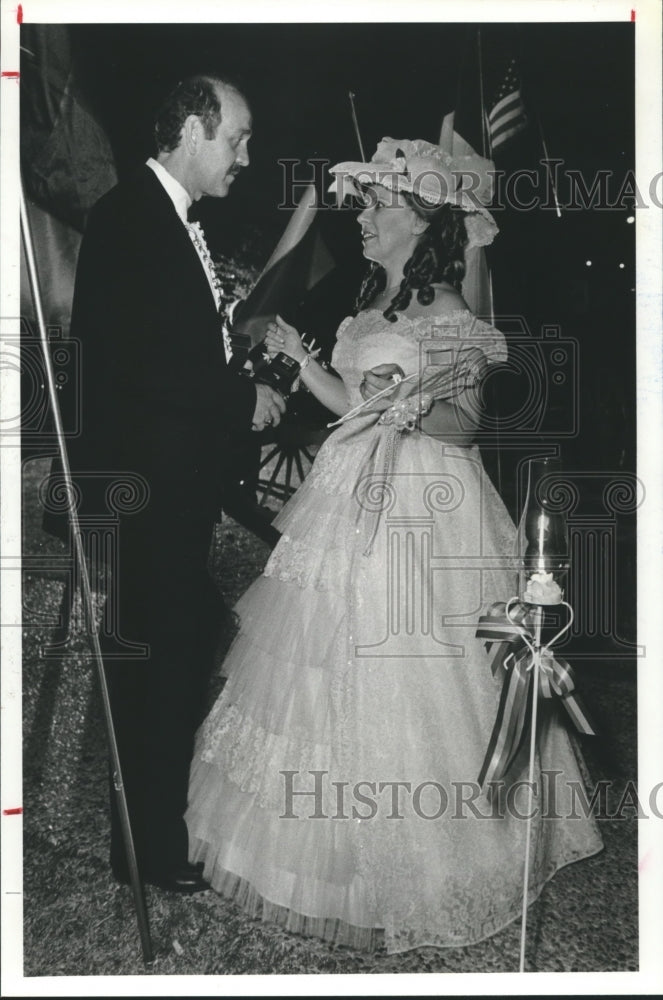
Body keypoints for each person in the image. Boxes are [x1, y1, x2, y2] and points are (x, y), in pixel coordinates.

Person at [185, 138, 603, 948]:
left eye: (378, 205)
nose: (363, 218)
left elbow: (464, 425)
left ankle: (439, 861)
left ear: (421, 221)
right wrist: (304, 362)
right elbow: (349, 401)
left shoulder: (450, 314)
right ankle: (303, 858)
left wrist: (405, 405)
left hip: (422, 507)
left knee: (410, 674)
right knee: (313, 660)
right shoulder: (367, 307)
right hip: (345, 494)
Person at [60, 75, 285, 893]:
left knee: (174, 649)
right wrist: (239, 397)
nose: (246, 156)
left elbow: (170, 347)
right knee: (158, 662)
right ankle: (148, 849)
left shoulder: (164, 218)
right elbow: (137, 364)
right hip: (145, 492)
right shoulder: (132, 217)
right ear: (193, 130)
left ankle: (148, 836)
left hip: (169, 486)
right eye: (238, 138)